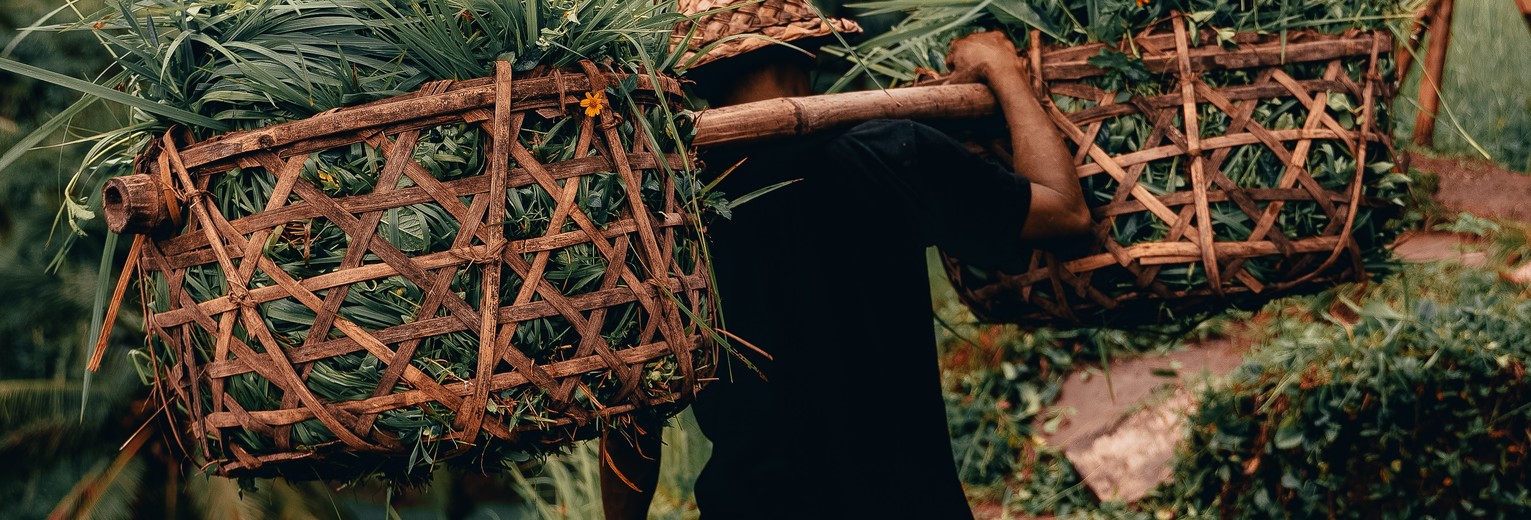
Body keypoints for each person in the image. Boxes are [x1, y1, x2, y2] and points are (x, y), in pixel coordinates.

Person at [599, 2, 1090, 518]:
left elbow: (633, 407)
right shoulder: (893, 154)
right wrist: (1005, 71)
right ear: (811, 48)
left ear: (694, 71)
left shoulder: (663, 209)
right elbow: (1066, 212)